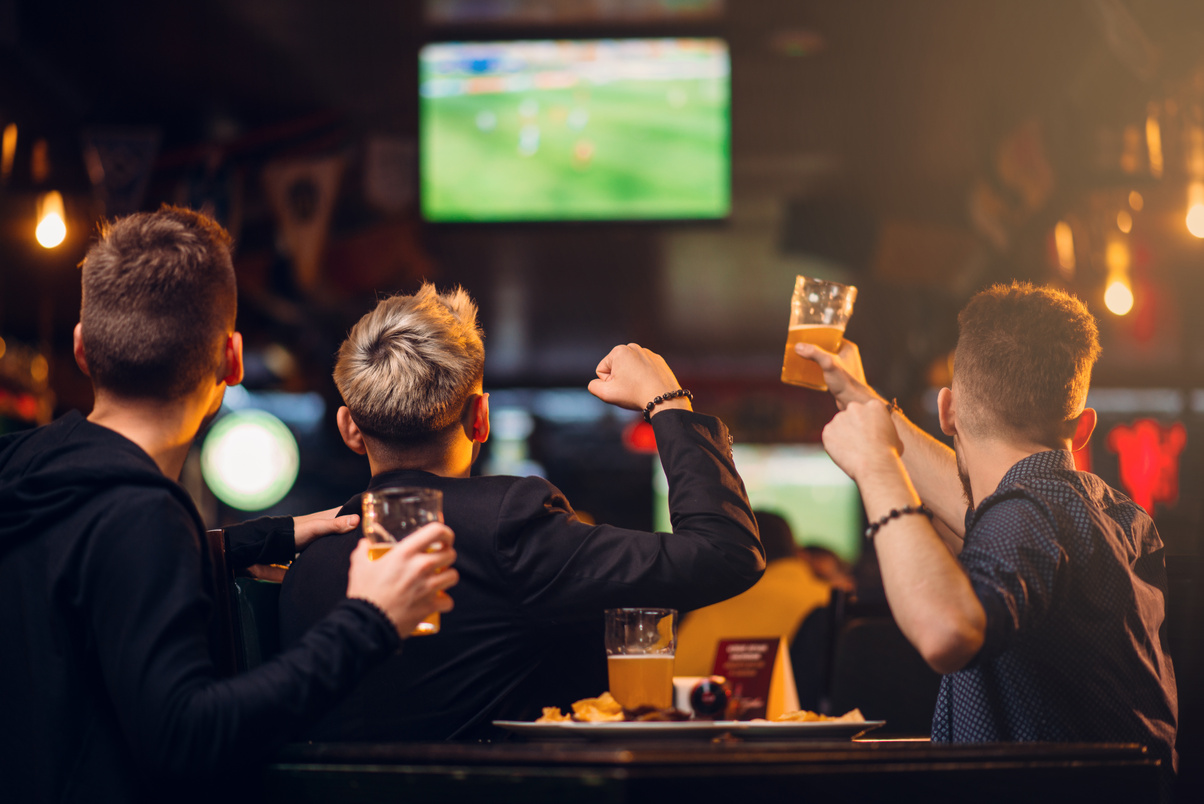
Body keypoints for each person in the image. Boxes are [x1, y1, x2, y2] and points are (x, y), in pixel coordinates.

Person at [0, 207, 458, 804]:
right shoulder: (142, 515)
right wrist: (368, 619)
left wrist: (262, 538)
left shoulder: (25, 465)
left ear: (83, 349)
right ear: (232, 359)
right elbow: (189, 737)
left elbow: (81, 563)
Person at [278, 284, 764, 740]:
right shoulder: (508, 525)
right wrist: (667, 402)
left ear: (350, 428)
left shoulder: (306, 566)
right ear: (481, 418)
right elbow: (726, 553)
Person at [798, 281, 1177, 771]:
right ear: (1083, 427)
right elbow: (983, 508)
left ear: (947, 411)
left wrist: (876, 467)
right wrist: (860, 398)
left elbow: (945, 632)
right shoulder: (1112, 515)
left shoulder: (1030, 513)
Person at [674, 510, 830, 676]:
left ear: (736, 550)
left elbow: (675, 672)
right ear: (796, 551)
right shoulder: (828, 597)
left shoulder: (719, 602)